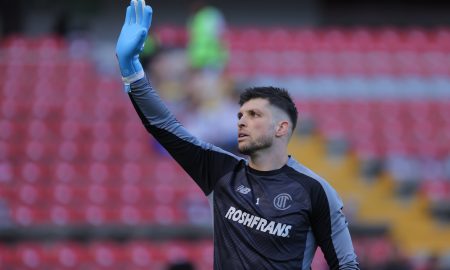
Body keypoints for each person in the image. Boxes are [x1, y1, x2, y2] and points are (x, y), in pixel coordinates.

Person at [115, 1, 359, 269]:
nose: (241, 121)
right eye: (240, 114)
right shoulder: (220, 171)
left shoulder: (316, 191)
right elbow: (163, 126)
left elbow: (346, 264)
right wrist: (132, 71)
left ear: (281, 128)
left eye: (254, 115)